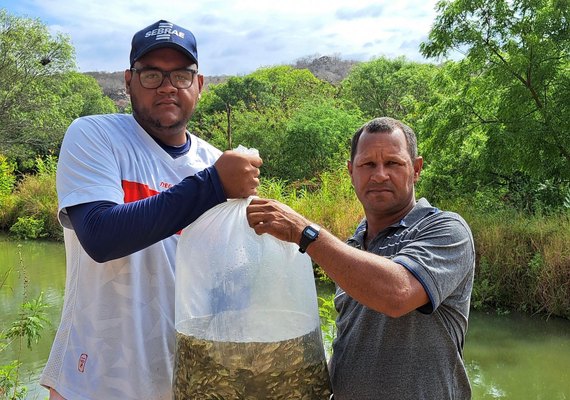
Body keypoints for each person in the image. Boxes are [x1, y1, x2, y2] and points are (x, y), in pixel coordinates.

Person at [39, 20, 262, 400]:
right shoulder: (95, 136)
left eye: (180, 74)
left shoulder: (214, 161)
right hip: (92, 382)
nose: (167, 86)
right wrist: (213, 185)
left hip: (185, 383)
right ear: (128, 82)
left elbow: (229, 283)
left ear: (200, 85)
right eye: (152, 75)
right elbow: (100, 235)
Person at [246, 117, 475, 399]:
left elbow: (397, 294)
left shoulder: (446, 229)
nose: (379, 175)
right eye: (368, 165)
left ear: (416, 169)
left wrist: (304, 232)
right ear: (351, 172)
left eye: (393, 163)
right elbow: (349, 338)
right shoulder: (352, 246)